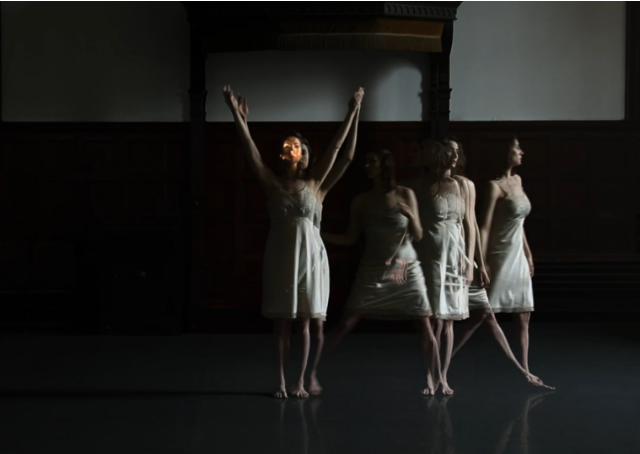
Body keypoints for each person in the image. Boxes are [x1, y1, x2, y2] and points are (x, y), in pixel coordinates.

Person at [222, 85, 363, 398]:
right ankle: (282, 381)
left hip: (310, 257)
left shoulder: (316, 184)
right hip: (281, 256)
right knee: (282, 322)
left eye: (298, 146)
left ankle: (300, 380)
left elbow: (339, 150)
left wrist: (353, 110)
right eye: (288, 145)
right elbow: (250, 150)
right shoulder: (271, 183)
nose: (293, 149)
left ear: (306, 155)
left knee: (307, 323)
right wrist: (237, 115)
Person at [321, 149, 444, 395]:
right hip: (374, 268)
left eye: (372, 161)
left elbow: (419, 235)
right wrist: (318, 234)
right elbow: (350, 237)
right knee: (346, 322)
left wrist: (410, 215)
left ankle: (432, 378)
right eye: (367, 162)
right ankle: (309, 370)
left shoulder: (405, 194)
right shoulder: (362, 200)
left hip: (405, 266)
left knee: (424, 322)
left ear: (385, 165)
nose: (367, 165)